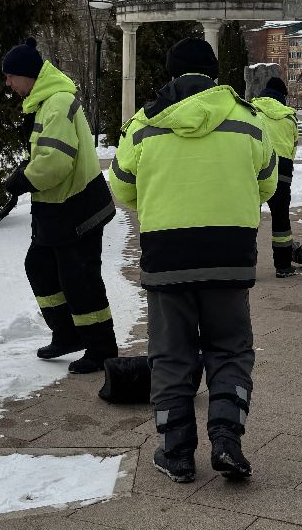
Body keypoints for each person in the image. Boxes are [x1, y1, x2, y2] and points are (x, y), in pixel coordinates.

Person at [110, 37, 277, 483]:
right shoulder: (249, 120)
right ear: (214, 74)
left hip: (168, 256)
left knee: (170, 354)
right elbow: (268, 186)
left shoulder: (143, 125)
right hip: (229, 255)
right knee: (230, 349)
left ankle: (177, 452)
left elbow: (122, 187)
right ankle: (227, 437)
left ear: (170, 73)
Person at [1, 38, 118, 376]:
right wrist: (26, 174)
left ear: (27, 75)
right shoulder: (44, 103)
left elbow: (55, 163)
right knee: (40, 266)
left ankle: (101, 348)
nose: (8, 84)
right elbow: (46, 155)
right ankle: (67, 334)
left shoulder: (57, 103)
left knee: (80, 278)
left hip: (77, 206)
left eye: (11, 77)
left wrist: (25, 178)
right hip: (57, 207)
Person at [250, 76, 300, 277]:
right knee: (281, 218)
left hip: (257, 166)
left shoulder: (252, 110)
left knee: (250, 218)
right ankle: (283, 266)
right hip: (282, 169)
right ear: (283, 97)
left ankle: (247, 266)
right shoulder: (290, 117)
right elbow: (293, 146)